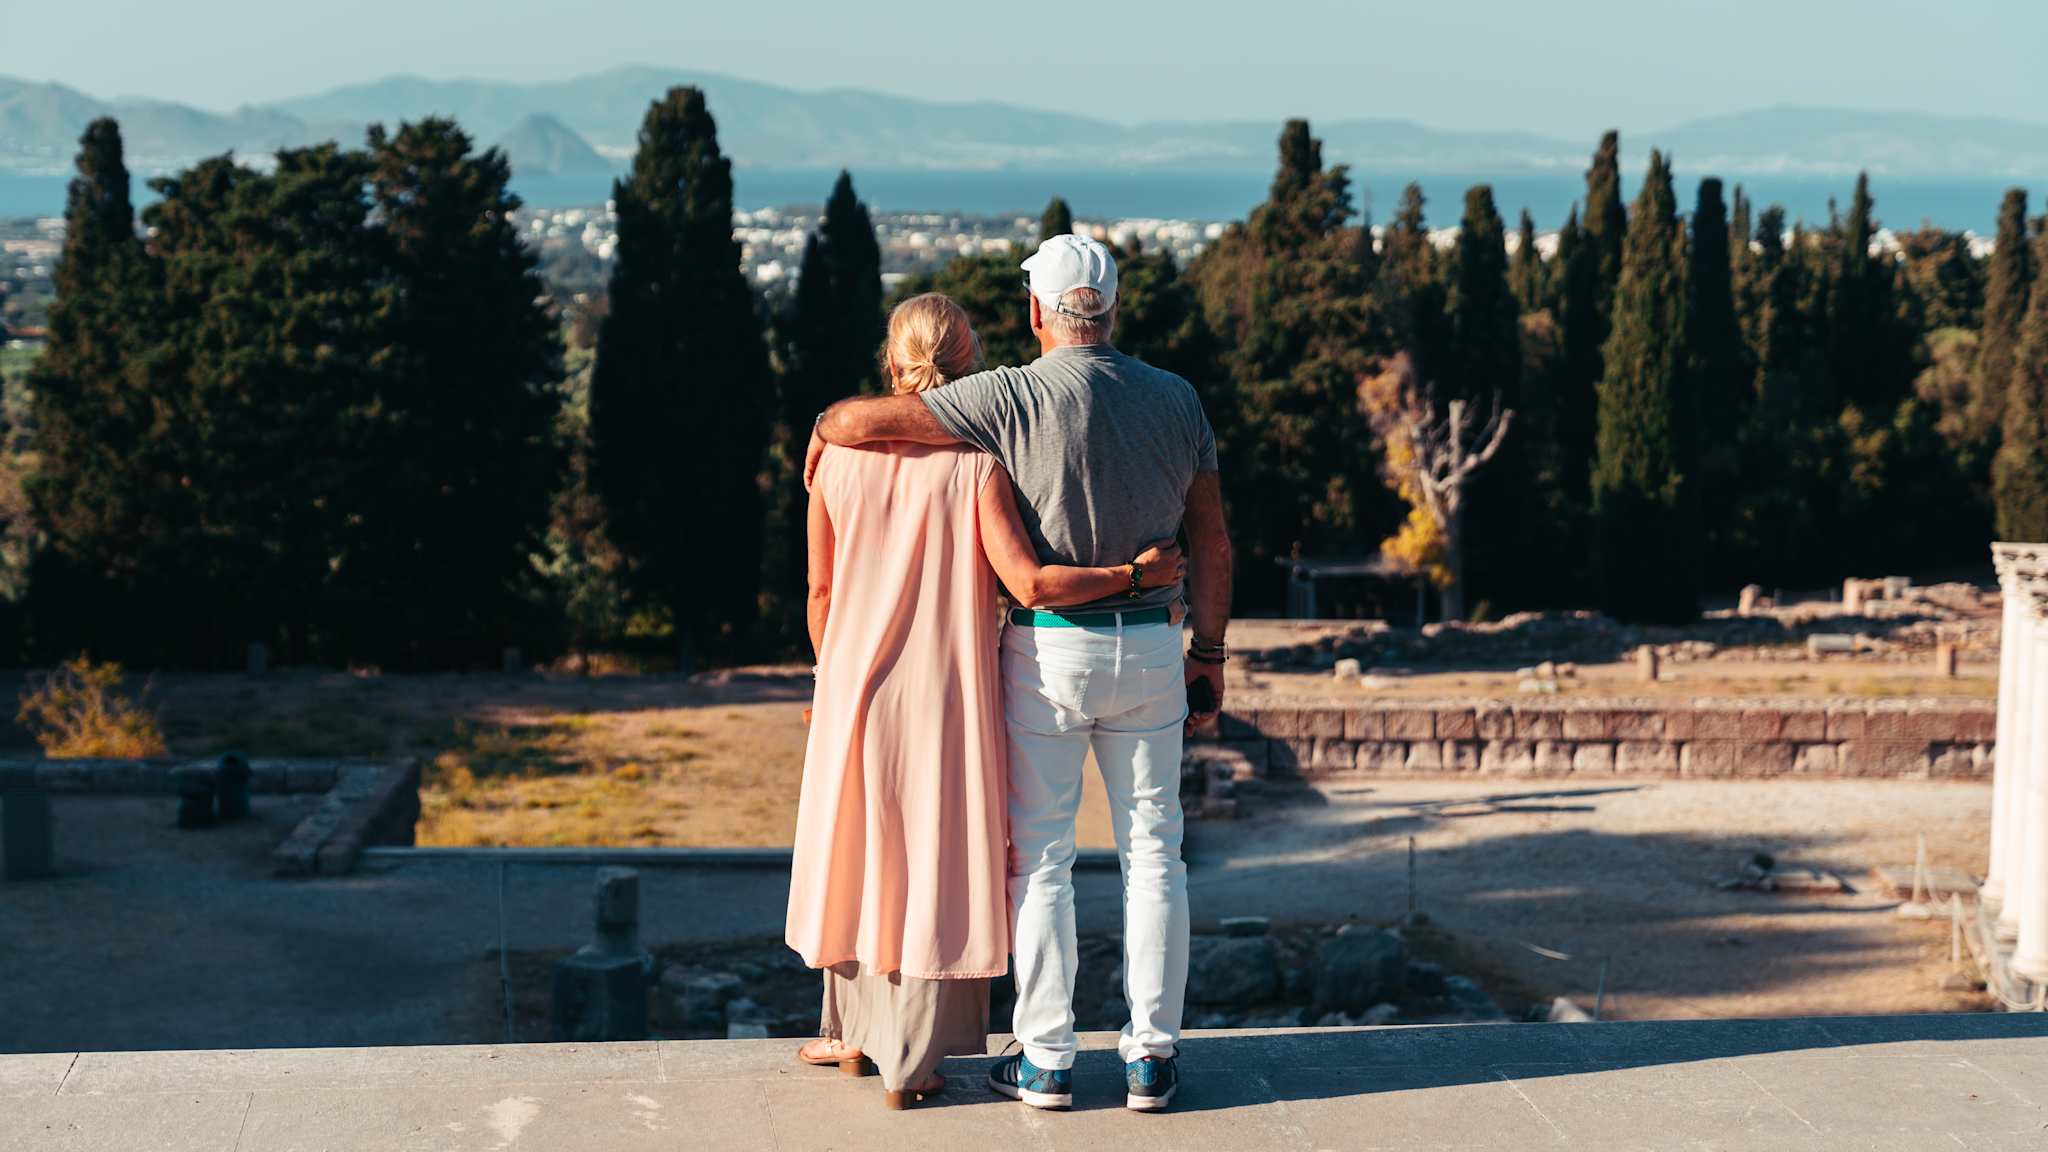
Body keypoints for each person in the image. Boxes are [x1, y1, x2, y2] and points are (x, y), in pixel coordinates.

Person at [806, 236, 1234, 1113]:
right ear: (1112, 311)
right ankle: (1152, 1059)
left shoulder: (1004, 398)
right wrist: (1211, 654)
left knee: (1041, 858)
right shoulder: (1179, 398)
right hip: (1152, 643)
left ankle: (1046, 1058)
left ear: (1037, 313)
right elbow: (1214, 539)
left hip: (1048, 649)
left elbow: (857, 422)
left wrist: (819, 429)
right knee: (1157, 854)